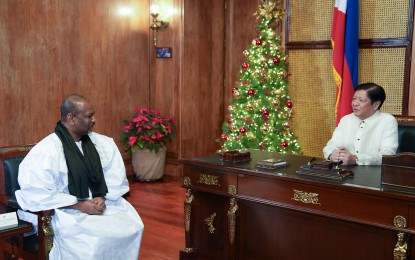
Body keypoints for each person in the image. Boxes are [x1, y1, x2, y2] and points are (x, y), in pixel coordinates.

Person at [15, 94, 144, 259]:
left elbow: (115, 179)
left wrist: (100, 196)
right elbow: (38, 192)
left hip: (101, 204)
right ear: (71, 119)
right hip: (64, 210)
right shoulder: (46, 151)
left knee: (132, 226)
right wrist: (80, 205)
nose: (94, 120)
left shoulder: (103, 144)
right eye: (89, 116)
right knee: (95, 238)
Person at [323, 83, 398, 165]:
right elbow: (331, 145)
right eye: (354, 99)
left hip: (373, 174)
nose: (355, 104)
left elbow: (388, 155)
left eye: (361, 100)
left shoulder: (387, 121)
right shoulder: (346, 120)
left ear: (376, 104)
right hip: (344, 171)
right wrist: (331, 154)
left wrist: (356, 159)